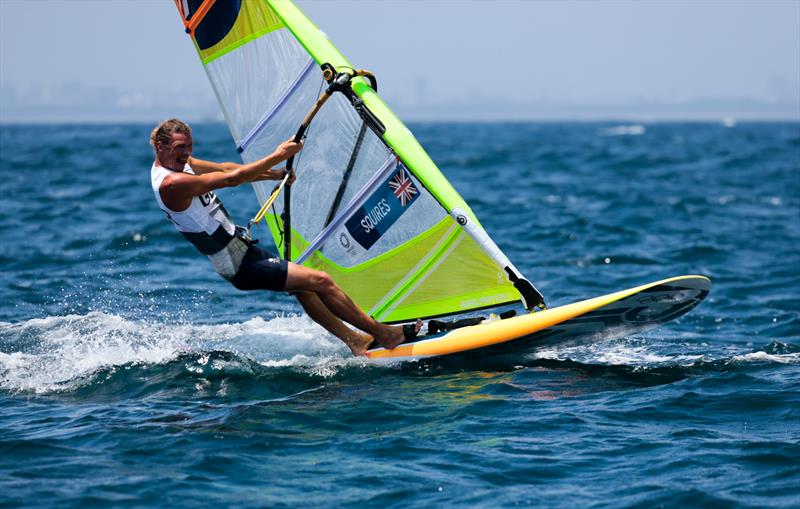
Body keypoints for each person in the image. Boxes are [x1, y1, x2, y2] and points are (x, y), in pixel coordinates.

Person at [149, 119, 419, 356]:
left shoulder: (182, 165)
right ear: (160, 147)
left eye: (189, 147)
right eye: (179, 148)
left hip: (241, 252)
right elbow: (231, 180)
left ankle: (356, 341)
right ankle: (384, 334)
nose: (186, 154)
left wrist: (276, 174)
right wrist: (278, 155)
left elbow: (223, 168)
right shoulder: (171, 184)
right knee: (321, 280)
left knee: (304, 288)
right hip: (236, 263)